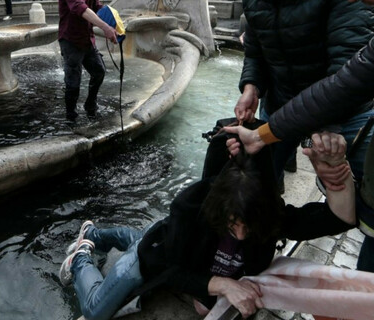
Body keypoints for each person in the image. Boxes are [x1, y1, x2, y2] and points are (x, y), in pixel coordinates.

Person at [224, 0, 374, 276]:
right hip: (283, 106)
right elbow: (257, 53)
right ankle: (243, 262)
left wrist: (327, 130)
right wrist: (252, 87)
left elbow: (347, 72)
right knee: (247, 187)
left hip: (339, 112)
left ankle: (367, 296)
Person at [60, 131, 356, 320]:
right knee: (96, 310)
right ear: (217, 209)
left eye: (248, 228)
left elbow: (339, 218)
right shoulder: (190, 208)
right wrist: (223, 284)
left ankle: (100, 233)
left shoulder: (268, 214)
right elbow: (169, 269)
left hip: (166, 238)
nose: (241, 235)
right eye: (233, 225)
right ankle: (83, 253)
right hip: (154, 257)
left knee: (153, 236)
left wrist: (335, 176)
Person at [57, 0, 117, 121]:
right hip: (71, 40)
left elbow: (96, 6)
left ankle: (90, 104)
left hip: (86, 39)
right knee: (73, 82)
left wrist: (115, 20)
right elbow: (80, 8)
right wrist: (105, 27)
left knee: (99, 72)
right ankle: (71, 116)